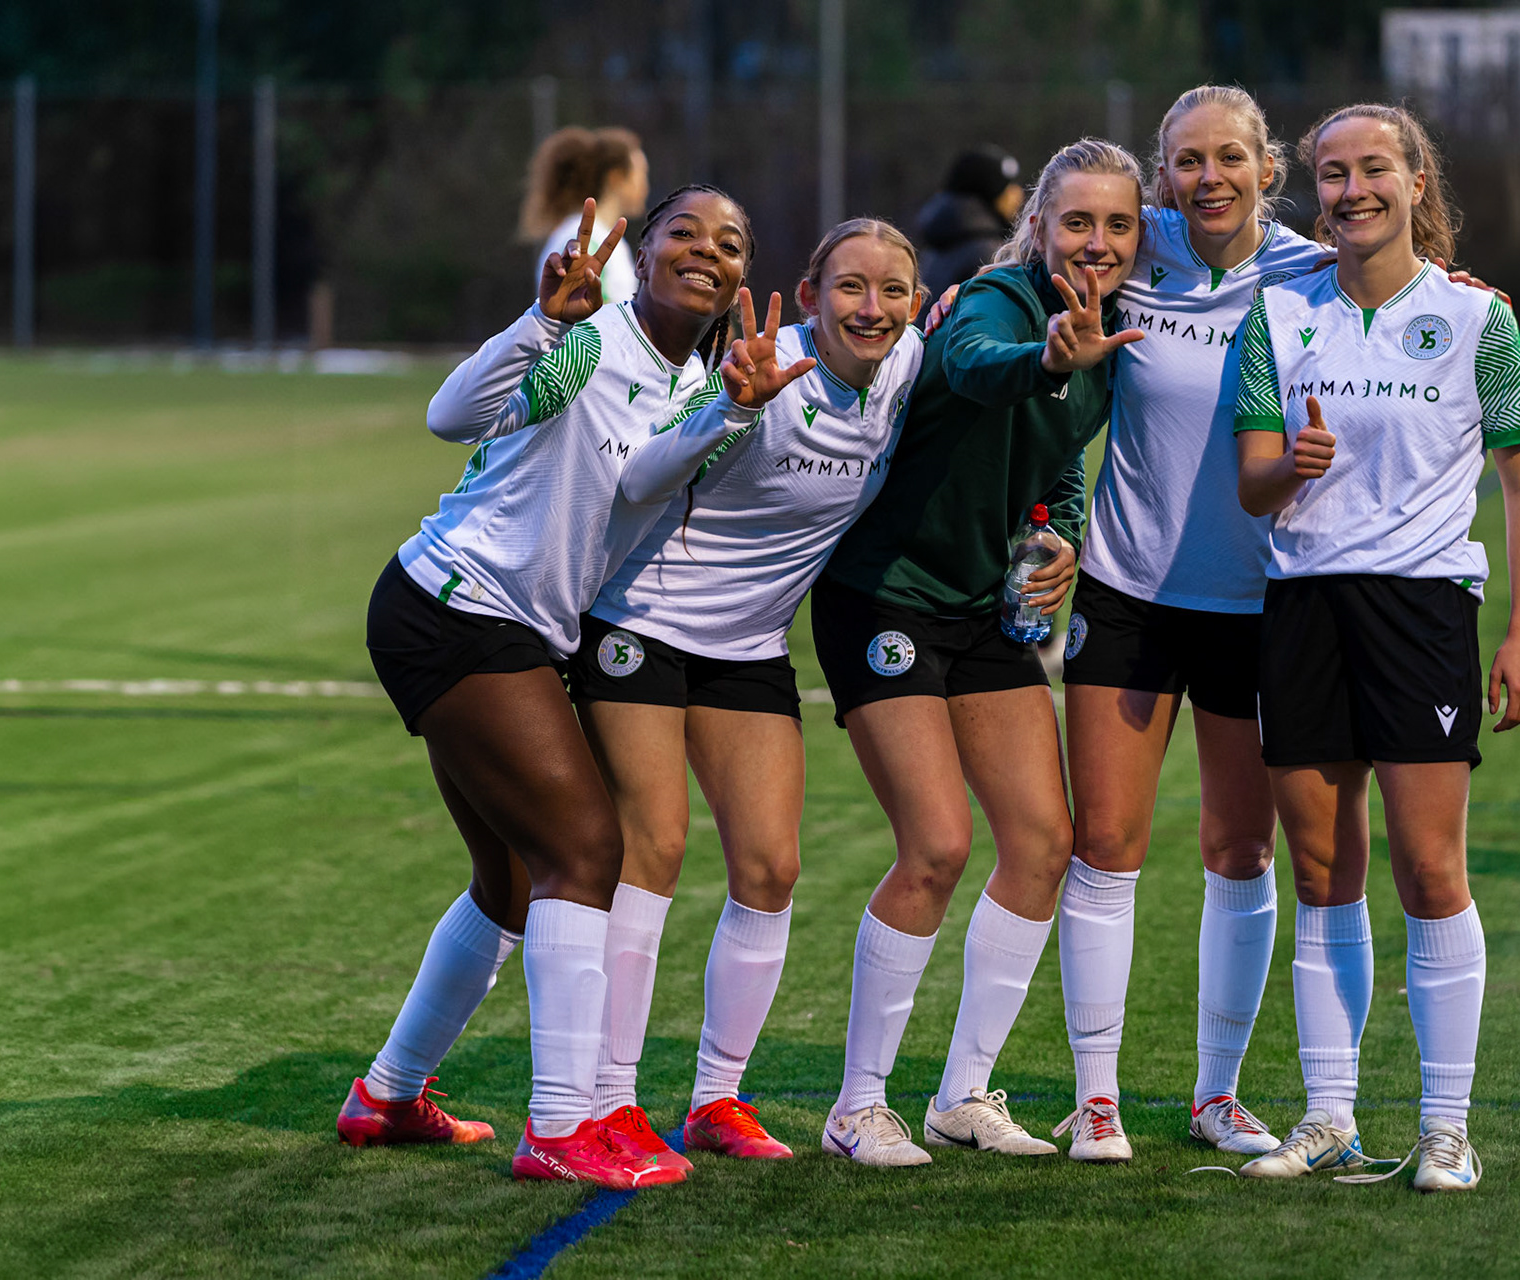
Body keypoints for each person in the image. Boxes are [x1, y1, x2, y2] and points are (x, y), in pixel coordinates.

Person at [336, 187, 789, 1188]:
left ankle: (386, 1095)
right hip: (457, 606)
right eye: (684, 231)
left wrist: (734, 409)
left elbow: (641, 480)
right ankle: (558, 1127)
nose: (705, 251)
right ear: (650, 248)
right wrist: (542, 321)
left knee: (508, 883)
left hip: (504, 625)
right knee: (586, 848)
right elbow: (448, 414)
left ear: (742, 276)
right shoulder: (589, 340)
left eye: (730, 242)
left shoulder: (700, 382)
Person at [1228, 102, 1520, 1192]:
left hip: (1421, 611)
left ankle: (1446, 1127)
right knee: (1321, 869)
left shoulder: (1475, 317)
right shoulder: (1277, 312)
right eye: (1331, 174)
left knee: (1428, 867)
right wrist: (1294, 464)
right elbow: (1253, 481)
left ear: (1417, 183)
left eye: (1374, 170)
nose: (1351, 190)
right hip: (1304, 603)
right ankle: (1328, 1115)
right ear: (1312, 190)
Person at [811, 138, 1146, 1168]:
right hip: (887, 595)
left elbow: (1061, 457)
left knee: (1045, 840)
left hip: (980, 610)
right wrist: (1051, 357)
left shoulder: (1112, 329)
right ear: (1039, 225)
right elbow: (976, 368)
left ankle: (964, 1091)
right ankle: (857, 1103)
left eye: (1118, 226)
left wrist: (1063, 536)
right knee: (939, 844)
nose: (1095, 242)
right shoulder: (1000, 301)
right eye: (1076, 221)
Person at [563, 219, 927, 1164]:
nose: (872, 308)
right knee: (654, 846)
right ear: (810, 296)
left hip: (749, 647)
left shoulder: (908, 362)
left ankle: (716, 1100)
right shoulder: (758, 366)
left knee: (769, 867)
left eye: (893, 291)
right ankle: (609, 1100)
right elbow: (639, 476)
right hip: (639, 620)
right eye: (850, 287)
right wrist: (726, 409)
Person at [1051, 84, 1328, 1164]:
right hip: (1125, 592)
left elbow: (1405, 295)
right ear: (1162, 174)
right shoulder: (1139, 243)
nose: (1206, 178)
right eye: (1186, 162)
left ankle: (1218, 1092)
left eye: (1229, 158)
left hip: (1259, 601)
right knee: (1105, 843)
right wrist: (961, 295)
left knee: (1238, 847)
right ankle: (1097, 1096)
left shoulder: (1309, 270)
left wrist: (1460, 284)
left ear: (1267, 168)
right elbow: (1048, 235)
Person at [518, 126, 650, 305]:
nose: (646, 187)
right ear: (616, 177)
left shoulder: (607, 239)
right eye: (642, 174)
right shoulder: (586, 240)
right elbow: (591, 322)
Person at [915, 145, 1025, 300]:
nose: (1018, 194)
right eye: (1007, 186)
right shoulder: (988, 254)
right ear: (988, 192)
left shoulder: (940, 242)